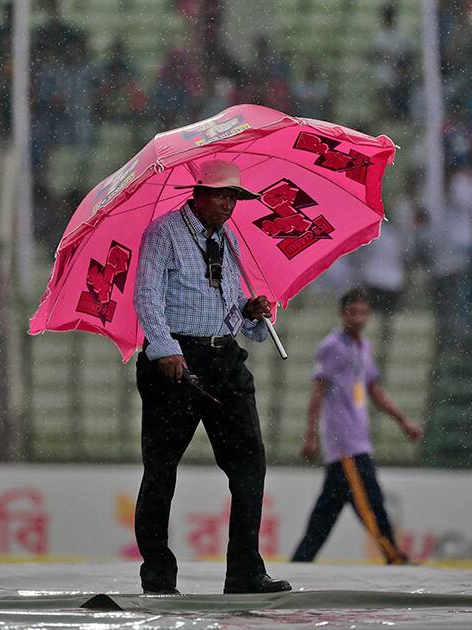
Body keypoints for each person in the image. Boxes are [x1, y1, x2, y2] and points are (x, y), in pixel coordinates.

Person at [133, 160, 290, 595]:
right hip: (177, 361)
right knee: (161, 468)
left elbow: (233, 305)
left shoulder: (229, 239)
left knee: (249, 463)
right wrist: (165, 349)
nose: (228, 204)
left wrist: (252, 312)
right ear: (197, 194)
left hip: (223, 359)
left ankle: (244, 572)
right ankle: (159, 576)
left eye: (234, 197)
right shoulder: (163, 233)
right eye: (221, 195)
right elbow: (147, 296)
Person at [291, 288, 422, 564]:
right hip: (345, 443)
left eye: (363, 313)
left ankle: (300, 561)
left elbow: (374, 390)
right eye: (353, 312)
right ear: (342, 314)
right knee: (371, 502)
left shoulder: (363, 347)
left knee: (326, 512)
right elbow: (318, 392)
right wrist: (311, 435)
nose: (359, 318)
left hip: (356, 440)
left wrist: (402, 421)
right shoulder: (332, 347)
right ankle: (393, 555)